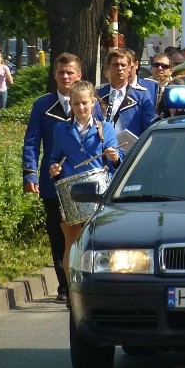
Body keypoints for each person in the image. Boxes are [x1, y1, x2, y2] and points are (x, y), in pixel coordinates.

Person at [23, 53, 87, 302]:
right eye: (61, 72)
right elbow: (32, 141)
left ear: (79, 75)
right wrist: (30, 172)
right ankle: (64, 285)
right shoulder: (43, 105)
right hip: (54, 182)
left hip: (84, 181)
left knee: (84, 233)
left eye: (70, 72)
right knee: (57, 233)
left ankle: (83, 281)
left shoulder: (90, 101)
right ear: (55, 75)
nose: (66, 77)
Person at [49, 81, 123, 284]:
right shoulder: (61, 129)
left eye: (84, 103)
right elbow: (55, 158)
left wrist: (114, 156)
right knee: (71, 243)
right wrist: (54, 168)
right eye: (76, 104)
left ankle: (105, 285)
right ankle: (72, 291)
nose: (80, 108)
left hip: (98, 193)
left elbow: (116, 158)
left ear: (93, 103)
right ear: (70, 105)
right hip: (71, 193)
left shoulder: (105, 128)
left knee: (103, 243)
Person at [97, 48, 157, 137]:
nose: (120, 68)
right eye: (115, 65)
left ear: (129, 68)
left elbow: (148, 128)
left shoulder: (141, 95)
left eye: (123, 65)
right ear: (108, 67)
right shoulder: (98, 94)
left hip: (129, 148)